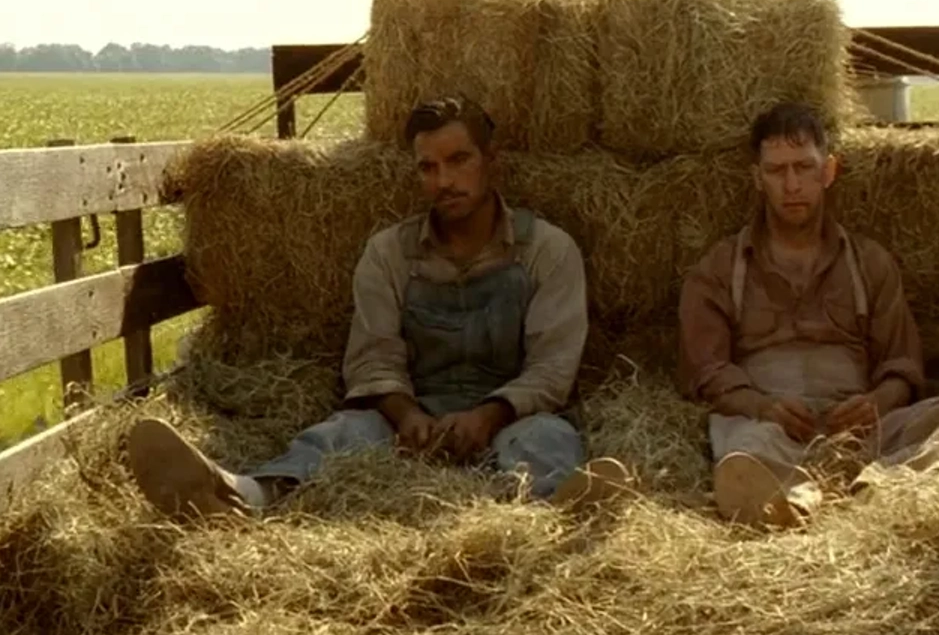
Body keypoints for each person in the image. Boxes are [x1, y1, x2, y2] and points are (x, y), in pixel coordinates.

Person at [126, 95, 631, 518]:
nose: (444, 181)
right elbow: (373, 356)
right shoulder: (389, 252)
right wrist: (406, 415)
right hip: (413, 413)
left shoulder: (546, 249)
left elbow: (552, 366)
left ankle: (561, 515)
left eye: (459, 161)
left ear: (490, 161)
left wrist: (489, 415)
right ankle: (237, 497)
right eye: (428, 167)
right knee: (335, 437)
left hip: (510, 414)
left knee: (549, 440)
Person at [676, 101, 939, 528]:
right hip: (769, 428)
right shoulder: (722, 266)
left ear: (828, 171)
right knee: (742, 453)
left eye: (804, 167)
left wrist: (875, 403)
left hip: (861, 432)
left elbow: (902, 363)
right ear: (757, 179)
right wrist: (763, 406)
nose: (792, 184)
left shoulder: (869, 262)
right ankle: (790, 499)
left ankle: (879, 485)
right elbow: (704, 370)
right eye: (777, 171)